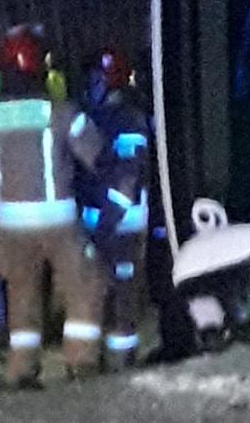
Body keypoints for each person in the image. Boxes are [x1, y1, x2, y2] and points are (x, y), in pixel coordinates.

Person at [0, 27, 104, 387]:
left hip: (11, 226)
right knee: (83, 285)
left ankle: (22, 369)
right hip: (59, 220)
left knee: (22, 295)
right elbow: (97, 156)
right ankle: (82, 361)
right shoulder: (60, 112)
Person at [70, 46, 155, 370]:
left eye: (96, 78)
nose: (90, 84)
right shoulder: (93, 117)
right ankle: (98, 360)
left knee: (123, 298)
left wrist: (108, 218)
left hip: (123, 225)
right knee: (98, 294)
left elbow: (130, 176)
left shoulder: (131, 121)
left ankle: (122, 361)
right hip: (99, 222)